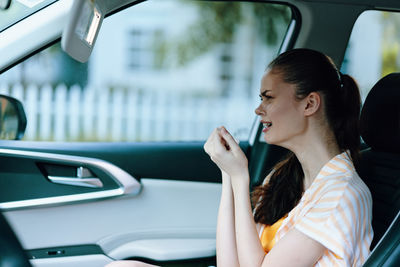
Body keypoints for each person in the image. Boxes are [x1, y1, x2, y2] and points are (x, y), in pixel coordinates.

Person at [106, 48, 373, 267]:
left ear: (310, 104)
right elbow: (228, 263)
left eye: (268, 98)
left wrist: (239, 176)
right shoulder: (284, 176)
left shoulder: (341, 195)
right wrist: (227, 174)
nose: (259, 109)